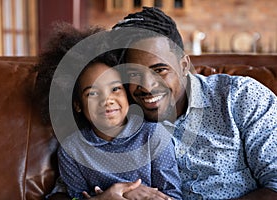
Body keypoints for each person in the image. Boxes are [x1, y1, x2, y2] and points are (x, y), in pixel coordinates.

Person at [48, 7, 277, 200]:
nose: (147, 87)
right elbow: (66, 190)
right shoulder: (118, 115)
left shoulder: (240, 97)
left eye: (160, 70)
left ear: (184, 66)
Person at [35, 21, 182, 200]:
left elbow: (172, 195)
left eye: (115, 89)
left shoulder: (153, 135)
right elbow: (74, 197)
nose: (107, 100)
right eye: (93, 93)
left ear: (127, 93)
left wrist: (128, 195)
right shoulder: (72, 150)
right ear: (77, 105)